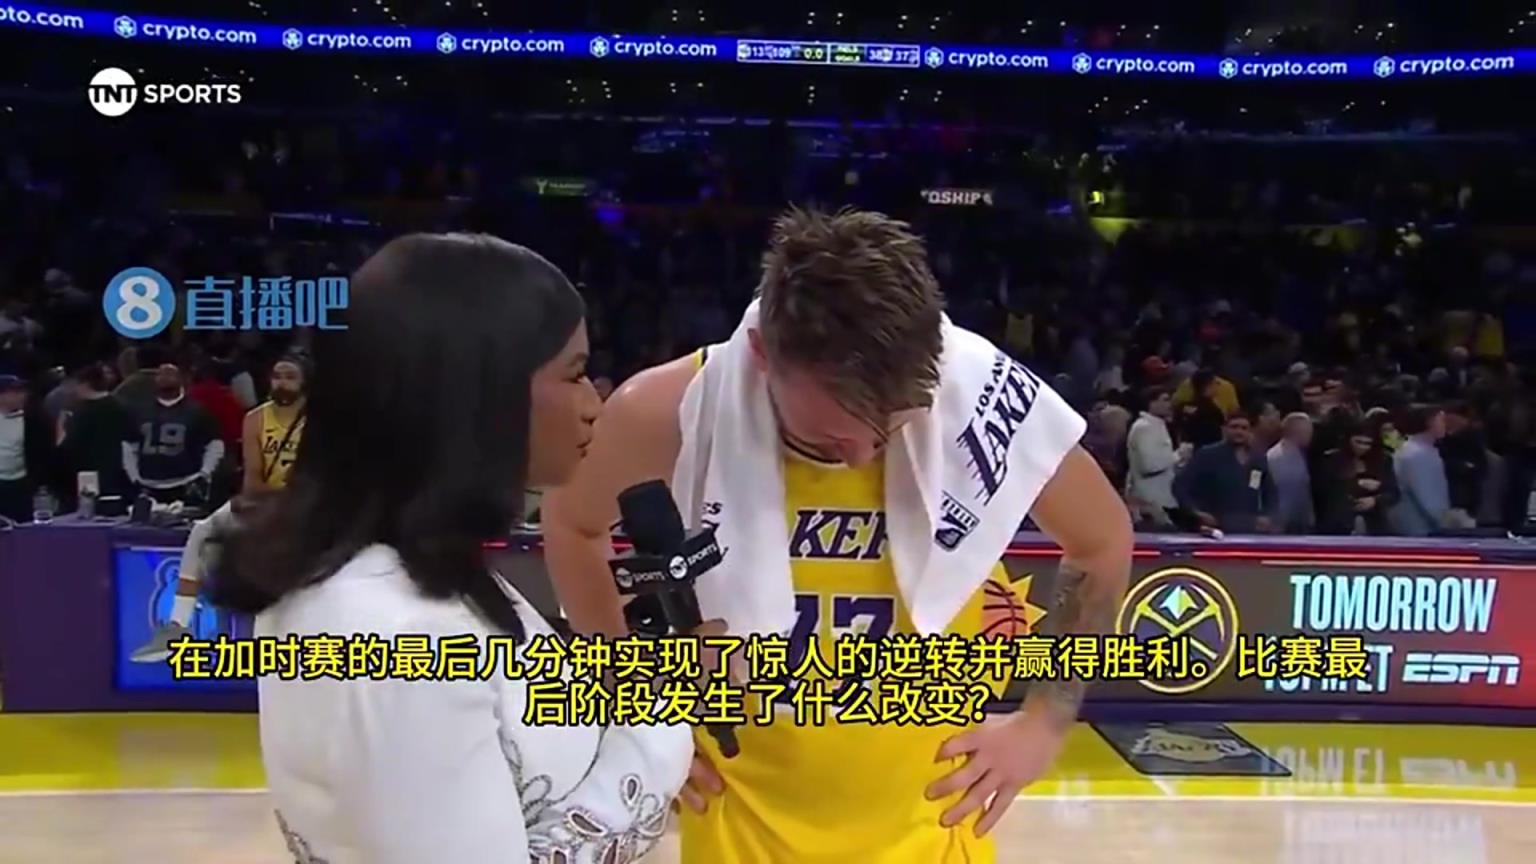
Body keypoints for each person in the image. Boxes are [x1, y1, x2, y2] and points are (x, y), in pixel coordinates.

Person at [542, 207, 1133, 863]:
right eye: (831, 437)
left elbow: (1102, 540)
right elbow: (572, 524)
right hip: (744, 828)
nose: (860, 457)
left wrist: (1045, 722)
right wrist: (634, 706)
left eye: (892, 429)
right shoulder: (667, 410)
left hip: (932, 829)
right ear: (763, 355)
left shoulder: (979, 396)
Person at [208, 233, 692, 863]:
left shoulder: (411, 578)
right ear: (477, 390)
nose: (593, 404)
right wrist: (662, 737)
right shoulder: (390, 632)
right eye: (574, 374)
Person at [122, 361, 224, 505]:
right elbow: (129, 446)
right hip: (148, 483)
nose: (165, 377)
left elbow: (214, 444)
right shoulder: (139, 411)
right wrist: (134, 477)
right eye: (161, 374)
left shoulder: (197, 411)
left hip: (186, 481)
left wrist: (204, 473)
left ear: (181, 378)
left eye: (170, 373)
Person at [1175, 410, 1277, 534]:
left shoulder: (1257, 458)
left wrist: (1267, 515)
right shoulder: (1208, 455)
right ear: (1224, 429)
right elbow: (1180, 486)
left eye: (1244, 428)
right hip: (1215, 526)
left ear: (1250, 431)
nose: (1239, 431)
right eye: (1234, 427)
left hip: (1249, 527)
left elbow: (1270, 491)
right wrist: (1196, 512)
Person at [241, 354, 308, 494]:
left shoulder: (319, 419)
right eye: (277, 377)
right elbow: (252, 481)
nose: (282, 383)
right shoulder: (255, 419)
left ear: (304, 381)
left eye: (290, 377)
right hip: (268, 499)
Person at [1125, 386, 1185, 528]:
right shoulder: (1144, 427)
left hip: (1162, 499)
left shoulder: (1157, 426)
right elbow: (1149, 466)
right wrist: (1178, 455)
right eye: (1165, 400)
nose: (1169, 404)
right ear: (1151, 403)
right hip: (1150, 502)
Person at [1390, 405, 1452, 536]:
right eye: (1441, 420)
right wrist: (1447, 523)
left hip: (1426, 526)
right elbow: (1428, 496)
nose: (1445, 425)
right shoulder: (1416, 454)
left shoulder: (1423, 451)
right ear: (1429, 422)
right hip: (1420, 529)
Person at [1266, 412, 1314, 534]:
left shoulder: (1301, 455)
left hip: (1299, 523)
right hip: (1280, 525)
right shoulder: (1274, 457)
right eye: (1308, 431)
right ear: (1296, 431)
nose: (1311, 435)